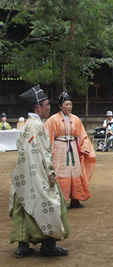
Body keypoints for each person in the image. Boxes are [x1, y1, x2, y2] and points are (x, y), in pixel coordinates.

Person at [10, 85, 69, 257]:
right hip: (39, 172)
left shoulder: (27, 125)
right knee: (50, 204)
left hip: (24, 172)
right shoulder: (37, 126)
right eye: (46, 104)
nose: (49, 107)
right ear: (37, 107)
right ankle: (48, 244)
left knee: (24, 205)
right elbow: (43, 152)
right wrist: (50, 173)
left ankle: (23, 244)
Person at [45, 92, 96, 208]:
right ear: (60, 106)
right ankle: (59, 199)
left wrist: (85, 148)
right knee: (60, 172)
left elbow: (82, 135)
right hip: (59, 149)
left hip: (73, 148)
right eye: (66, 104)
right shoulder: (53, 119)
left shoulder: (76, 119)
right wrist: (50, 151)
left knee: (75, 172)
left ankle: (75, 199)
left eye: (70, 105)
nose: (69, 107)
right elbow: (47, 136)